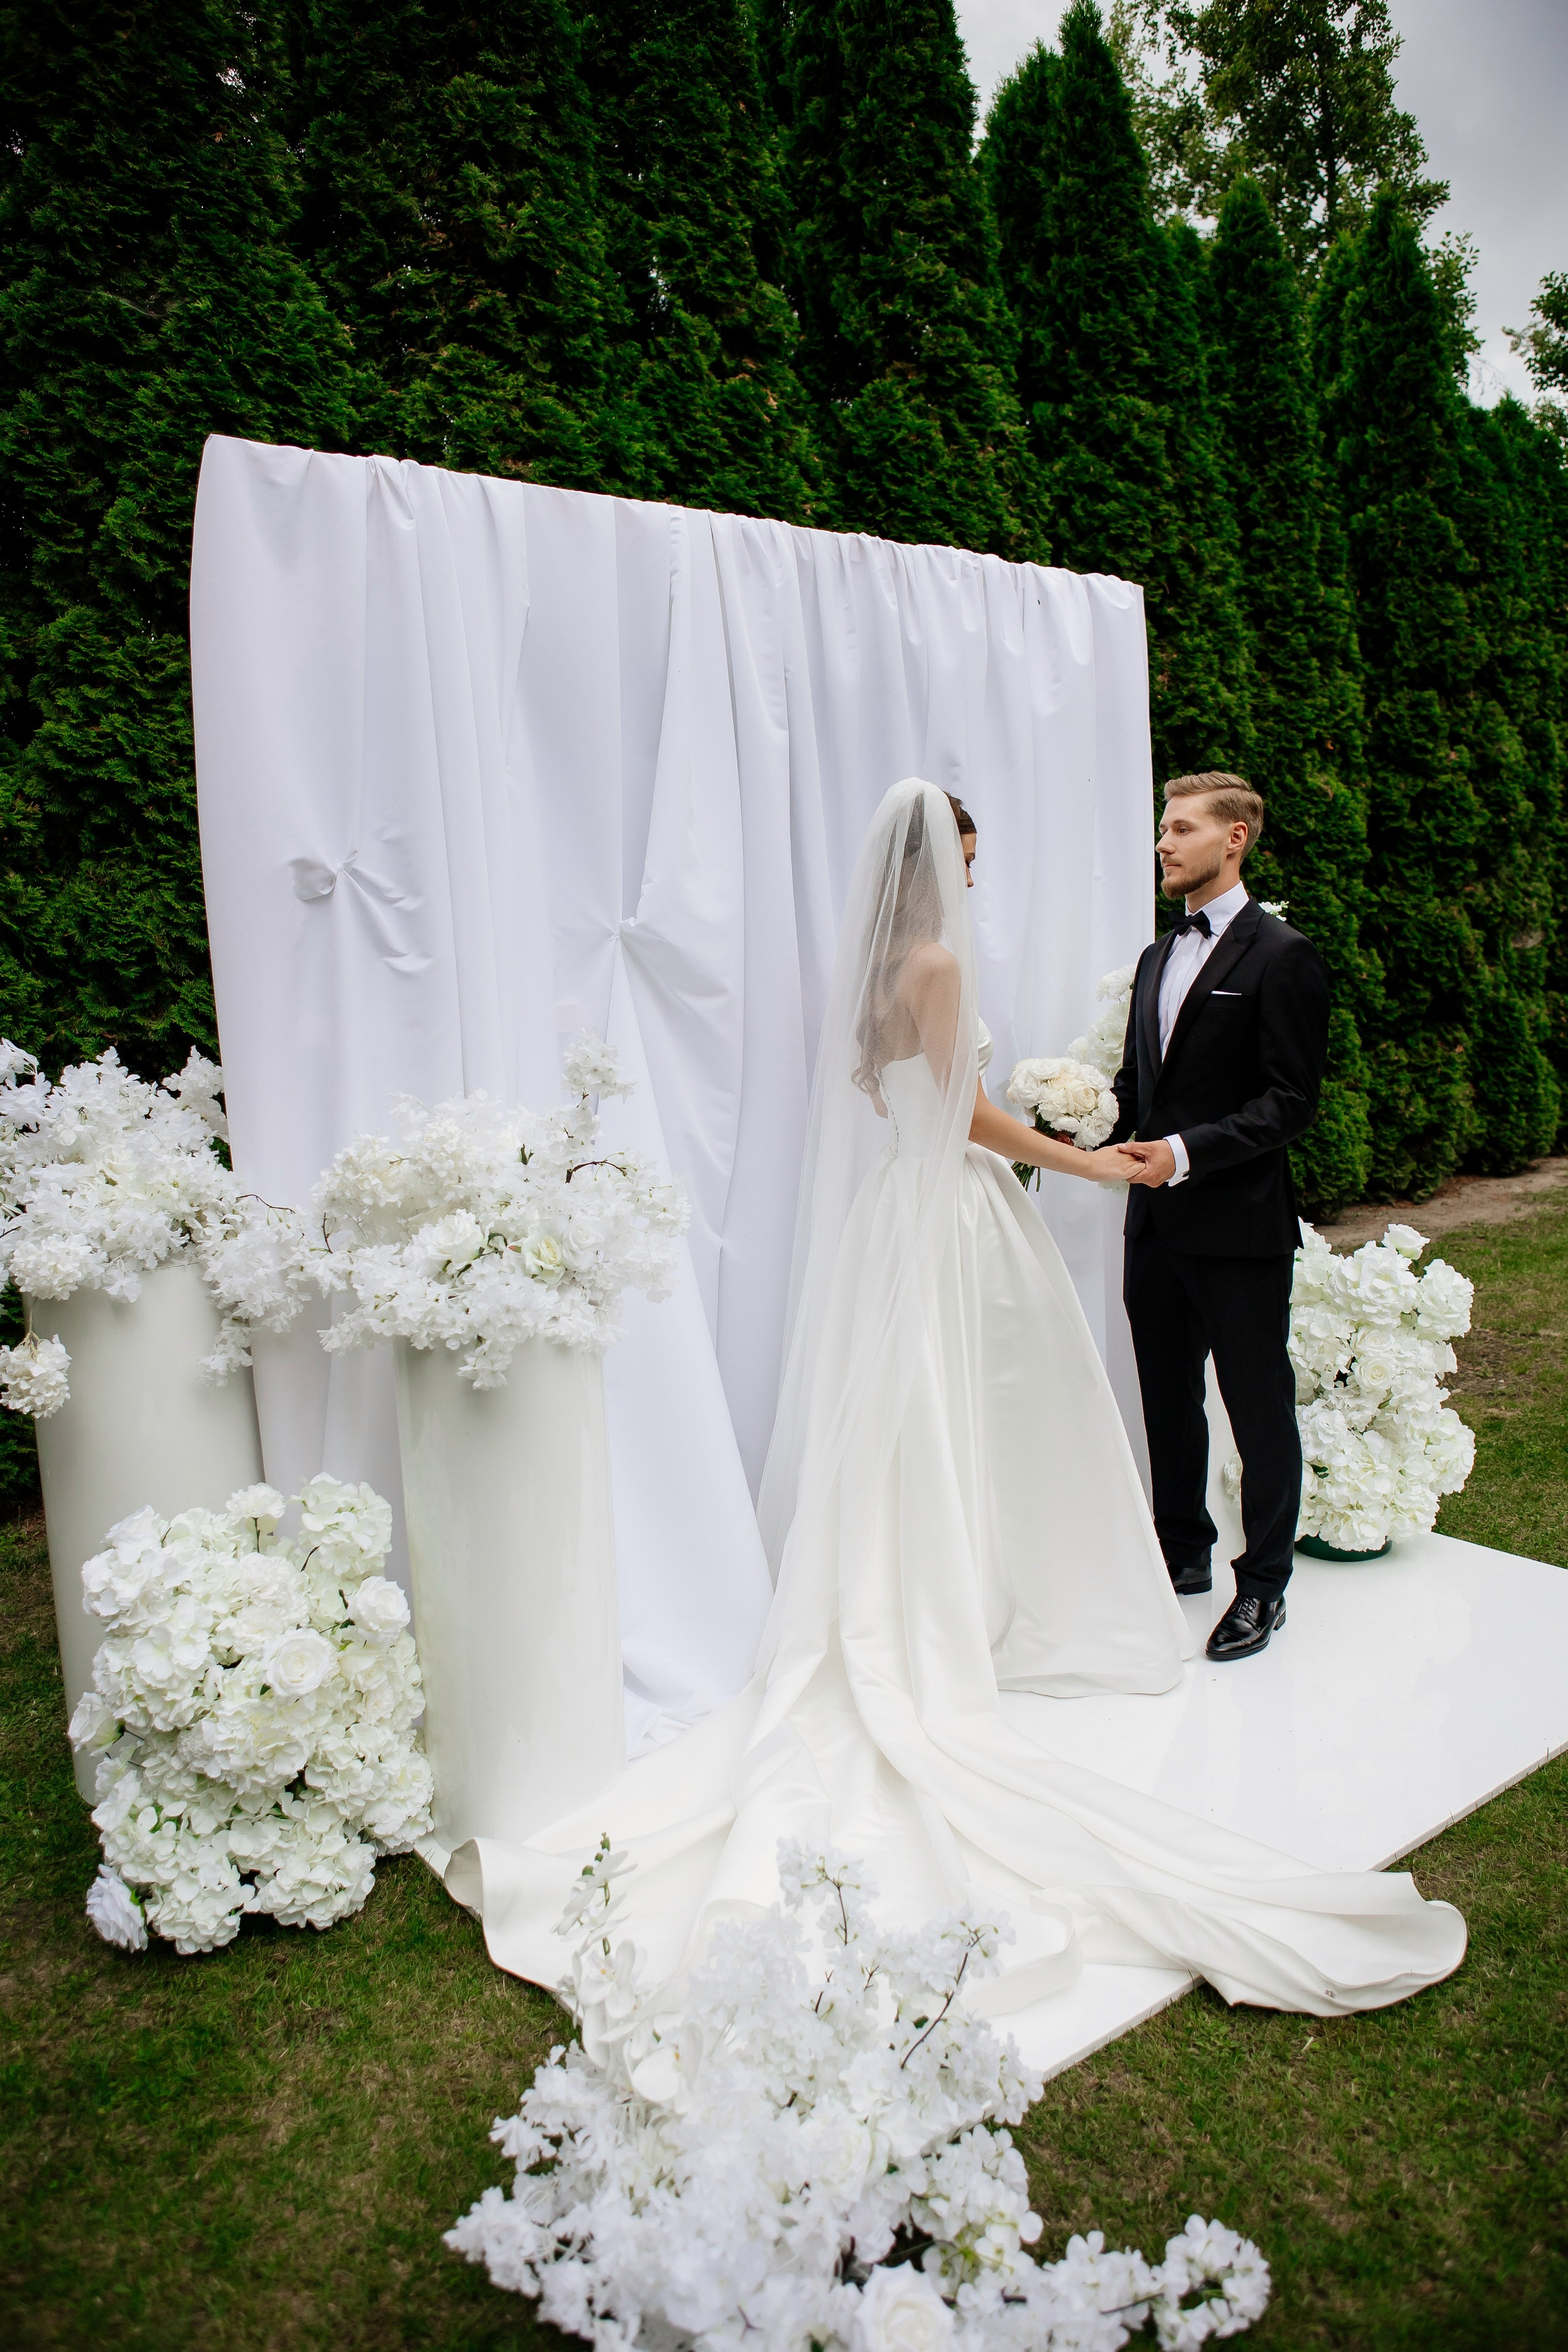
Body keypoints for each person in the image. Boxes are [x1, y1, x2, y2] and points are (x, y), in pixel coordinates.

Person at [443, 780, 1462, 2032]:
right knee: (981, 1408)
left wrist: (1110, 1136)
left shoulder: (888, 968)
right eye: (966, 858)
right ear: (934, 863)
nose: (976, 878)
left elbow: (913, 1098)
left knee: (955, 1416)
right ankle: (975, 1602)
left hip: (923, 1211)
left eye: (1180, 826)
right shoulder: (933, 962)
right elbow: (963, 1114)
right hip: (960, 1208)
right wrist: (1085, 1155)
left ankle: (1178, 1577)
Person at [1112, 773, 1329, 1663]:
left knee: (1255, 1404)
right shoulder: (1156, 959)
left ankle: (1265, 1585)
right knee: (1167, 1397)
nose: (1165, 844)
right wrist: (1081, 1124)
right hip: (1153, 1228)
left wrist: (1185, 1154)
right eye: (1164, 829)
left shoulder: (1283, 956)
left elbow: (1291, 1102)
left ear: (1235, 838)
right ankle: (1182, 1551)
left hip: (1238, 1228)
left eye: (1182, 828)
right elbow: (1139, 1089)